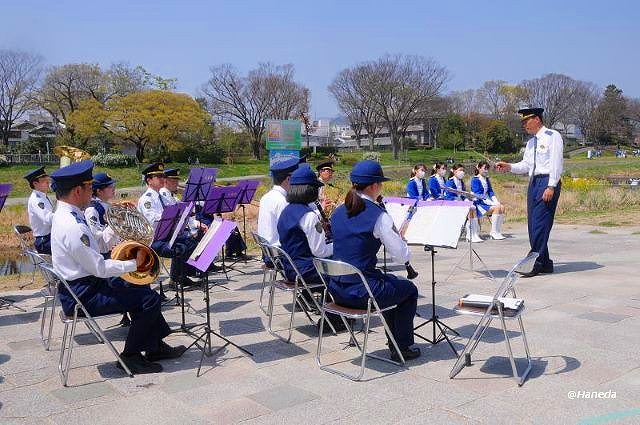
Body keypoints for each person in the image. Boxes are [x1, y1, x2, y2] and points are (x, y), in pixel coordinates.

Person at [49, 160, 184, 374]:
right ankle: (130, 356)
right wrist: (134, 263)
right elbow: (99, 268)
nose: (91, 194)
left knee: (142, 288)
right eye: (89, 189)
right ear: (77, 190)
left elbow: (94, 253)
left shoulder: (66, 215)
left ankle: (155, 347)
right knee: (149, 300)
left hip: (84, 284)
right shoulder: (72, 225)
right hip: (83, 294)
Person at [329, 160, 420, 361]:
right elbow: (401, 256)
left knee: (389, 284)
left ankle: (395, 342)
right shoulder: (379, 216)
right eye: (381, 183)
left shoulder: (337, 212)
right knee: (409, 290)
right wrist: (399, 239)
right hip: (362, 293)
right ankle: (402, 346)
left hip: (336, 290)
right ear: (373, 186)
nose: (381, 187)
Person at [496, 107, 563, 277]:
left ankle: (535, 262)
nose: (524, 124)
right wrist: (509, 166)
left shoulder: (552, 136)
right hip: (534, 182)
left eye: (527, 120)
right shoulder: (531, 142)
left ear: (537, 119)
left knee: (540, 223)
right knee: (533, 224)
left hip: (547, 181)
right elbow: (526, 165)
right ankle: (546, 263)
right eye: (523, 122)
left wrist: (551, 186)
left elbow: (556, 163)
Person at [137, 163, 197, 285]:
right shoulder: (146, 199)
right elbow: (152, 220)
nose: (162, 179)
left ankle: (181, 276)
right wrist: (171, 216)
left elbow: (174, 211)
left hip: (166, 236)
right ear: (149, 180)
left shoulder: (162, 197)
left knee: (190, 241)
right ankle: (176, 279)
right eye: (158, 177)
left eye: (162, 176)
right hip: (154, 239)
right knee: (180, 248)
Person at [257, 157, 301, 246]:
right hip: (281, 253)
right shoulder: (283, 201)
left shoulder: (266, 196)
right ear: (288, 179)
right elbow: (291, 231)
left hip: (268, 250)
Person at [84, 172, 121, 258]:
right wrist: (116, 222)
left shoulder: (107, 205)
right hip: (103, 255)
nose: (113, 188)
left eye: (113, 186)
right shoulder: (92, 210)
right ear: (99, 191)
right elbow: (97, 241)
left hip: (112, 248)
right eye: (109, 186)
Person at [445, 164, 482, 243]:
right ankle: (470, 234)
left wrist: (466, 200)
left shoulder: (461, 182)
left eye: (463, 170)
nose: (462, 172)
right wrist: (459, 203)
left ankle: (474, 233)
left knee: (473, 208)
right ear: (454, 171)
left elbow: (464, 194)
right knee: (469, 209)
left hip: (460, 203)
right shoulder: (450, 182)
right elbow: (449, 196)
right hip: (452, 203)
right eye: (460, 170)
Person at [470, 161, 506, 240]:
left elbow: (490, 191)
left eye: (487, 169)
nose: (486, 170)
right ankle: (493, 232)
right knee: (497, 208)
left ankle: (497, 231)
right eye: (484, 168)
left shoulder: (486, 179)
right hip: (478, 204)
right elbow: (478, 195)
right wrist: (492, 203)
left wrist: (496, 201)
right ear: (479, 168)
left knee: (502, 207)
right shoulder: (475, 179)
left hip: (486, 202)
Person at [24, 166, 54, 254]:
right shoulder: (36, 200)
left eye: (47, 179)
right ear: (35, 183)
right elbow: (48, 219)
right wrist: (64, 216)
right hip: (43, 241)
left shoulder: (43, 196)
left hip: (50, 237)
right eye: (43, 181)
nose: (47, 182)